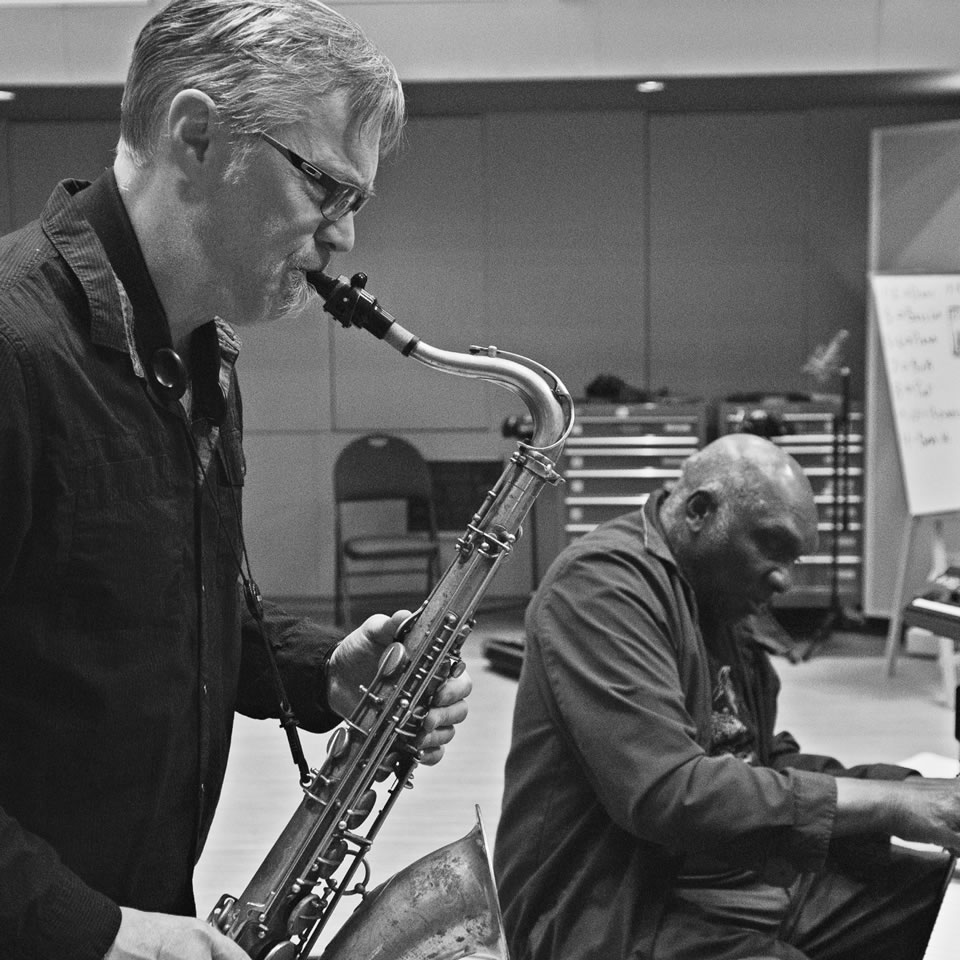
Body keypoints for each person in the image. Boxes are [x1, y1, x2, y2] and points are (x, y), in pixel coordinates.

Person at [0, 2, 472, 958]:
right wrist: (97, 934)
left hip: (140, 902)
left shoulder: (200, 354)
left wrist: (319, 669)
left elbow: (161, 609)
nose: (343, 239)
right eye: (328, 188)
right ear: (197, 132)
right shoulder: (12, 351)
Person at [494, 432, 960, 960]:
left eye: (796, 557)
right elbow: (667, 792)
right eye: (772, 546)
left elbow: (755, 758)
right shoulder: (600, 586)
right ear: (699, 511)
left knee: (930, 891)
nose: (785, 578)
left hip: (724, 878)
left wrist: (918, 792)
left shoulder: (719, 595)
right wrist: (891, 807)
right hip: (609, 912)